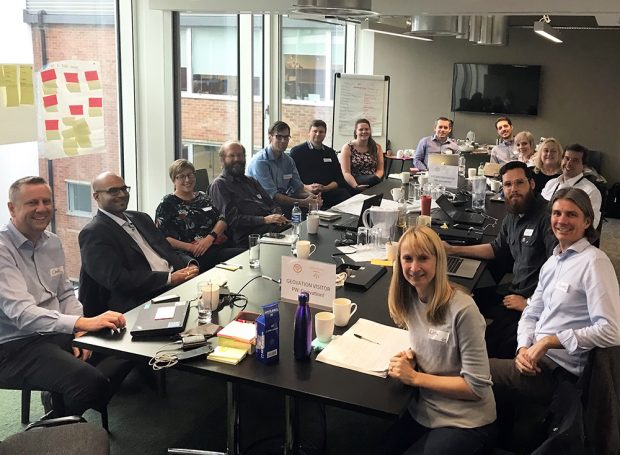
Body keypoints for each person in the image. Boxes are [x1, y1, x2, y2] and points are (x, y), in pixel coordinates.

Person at [490, 188, 620, 449]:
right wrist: (524, 347)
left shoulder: (594, 262)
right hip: (534, 360)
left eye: (572, 214)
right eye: (557, 213)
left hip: (559, 374)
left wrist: (549, 341)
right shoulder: (554, 261)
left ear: (587, 221)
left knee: (473, 370)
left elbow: (611, 330)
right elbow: (532, 312)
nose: (562, 220)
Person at [0, 176, 132, 418]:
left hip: (54, 331)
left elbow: (65, 293)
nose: (42, 209)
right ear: (12, 207)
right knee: (91, 384)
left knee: (128, 347)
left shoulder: (52, 242)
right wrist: (81, 323)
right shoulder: (2, 249)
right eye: (32, 203)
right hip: (15, 345)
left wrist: (77, 331)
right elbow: (22, 314)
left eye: (46, 201)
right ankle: (49, 431)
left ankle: (59, 400)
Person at [385, 226, 495, 455]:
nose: (414, 268)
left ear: (439, 260)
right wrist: (411, 356)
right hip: (425, 408)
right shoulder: (412, 298)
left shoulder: (463, 310)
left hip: (465, 420)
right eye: (407, 258)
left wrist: (415, 377)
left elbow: (476, 388)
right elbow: (433, 343)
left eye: (423, 258)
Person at [444, 161, 557, 358]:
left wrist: (529, 304)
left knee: (484, 347)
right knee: (458, 301)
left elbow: (560, 272)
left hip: (529, 303)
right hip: (513, 292)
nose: (513, 190)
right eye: (508, 185)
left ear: (531, 184)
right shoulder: (513, 214)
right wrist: (453, 249)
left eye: (519, 183)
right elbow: (496, 248)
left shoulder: (546, 218)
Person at [79, 172, 199, 316]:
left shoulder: (140, 218)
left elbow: (168, 252)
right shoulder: (94, 233)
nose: (122, 194)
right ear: (96, 197)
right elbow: (117, 279)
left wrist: (189, 264)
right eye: (113, 191)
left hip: (175, 285)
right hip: (141, 300)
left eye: (124, 189)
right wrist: (169, 279)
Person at [155, 159, 243, 271]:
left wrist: (210, 238)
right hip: (192, 255)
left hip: (215, 246)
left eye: (190, 174)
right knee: (241, 259)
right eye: (181, 176)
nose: (187, 180)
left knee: (246, 255)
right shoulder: (167, 203)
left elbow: (222, 219)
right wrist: (193, 247)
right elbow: (163, 238)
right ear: (173, 180)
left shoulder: (202, 197)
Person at [210, 141, 290, 248]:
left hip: (270, 226)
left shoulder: (250, 181)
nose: (237, 159)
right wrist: (265, 220)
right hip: (247, 236)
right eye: (232, 155)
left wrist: (277, 215)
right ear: (222, 160)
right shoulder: (220, 185)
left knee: (296, 230)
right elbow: (232, 220)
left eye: (240, 155)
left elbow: (272, 203)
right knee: (291, 238)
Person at [246, 121, 321, 217]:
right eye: (279, 137)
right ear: (270, 138)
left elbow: (298, 188)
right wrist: (303, 202)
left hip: (280, 202)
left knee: (312, 212)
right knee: (300, 211)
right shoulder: (260, 162)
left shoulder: (288, 161)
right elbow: (273, 196)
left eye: (286, 137)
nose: (283, 140)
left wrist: (312, 197)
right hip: (262, 205)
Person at [289, 119, 352, 208]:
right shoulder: (297, 152)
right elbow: (290, 178)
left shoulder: (330, 152)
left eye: (321, 132)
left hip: (327, 191)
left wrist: (326, 188)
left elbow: (339, 178)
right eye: (315, 131)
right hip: (305, 192)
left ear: (325, 134)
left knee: (344, 194)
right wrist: (307, 187)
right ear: (309, 132)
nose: (318, 134)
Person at [541, 143, 602, 229]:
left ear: (584, 166)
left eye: (575, 160)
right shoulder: (551, 183)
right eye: (566, 158)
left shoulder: (590, 191)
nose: (569, 164)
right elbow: (538, 211)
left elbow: (591, 226)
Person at [339, 118, 384, 189]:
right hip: (353, 183)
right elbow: (346, 172)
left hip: (373, 181)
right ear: (356, 132)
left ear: (370, 131)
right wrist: (356, 186)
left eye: (366, 129)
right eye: (361, 129)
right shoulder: (347, 148)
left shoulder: (377, 147)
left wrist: (375, 179)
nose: (364, 131)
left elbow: (380, 170)